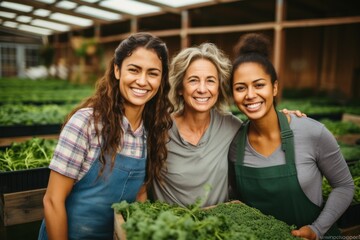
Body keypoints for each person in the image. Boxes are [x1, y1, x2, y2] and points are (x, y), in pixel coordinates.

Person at [38, 32, 173, 240]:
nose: (142, 81)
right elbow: (53, 201)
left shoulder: (151, 131)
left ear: (161, 79)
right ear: (117, 70)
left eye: (153, 73)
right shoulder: (87, 123)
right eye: (134, 70)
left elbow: (139, 196)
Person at [228, 33, 354, 239]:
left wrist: (317, 229)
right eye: (240, 88)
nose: (250, 94)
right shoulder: (236, 145)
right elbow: (238, 197)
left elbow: (344, 186)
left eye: (259, 85)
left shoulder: (311, 132)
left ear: (275, 87)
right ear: (233, 95)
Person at [151, 42, 302, 208]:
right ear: (180, 87)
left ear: (219, 87)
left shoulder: (231, 127)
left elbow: (265, 133)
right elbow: (140, 189)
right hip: (166, 228)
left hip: (216, 229)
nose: (202, 89)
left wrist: (285, 118)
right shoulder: (159, 129)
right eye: (193, 80)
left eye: (210, 81)